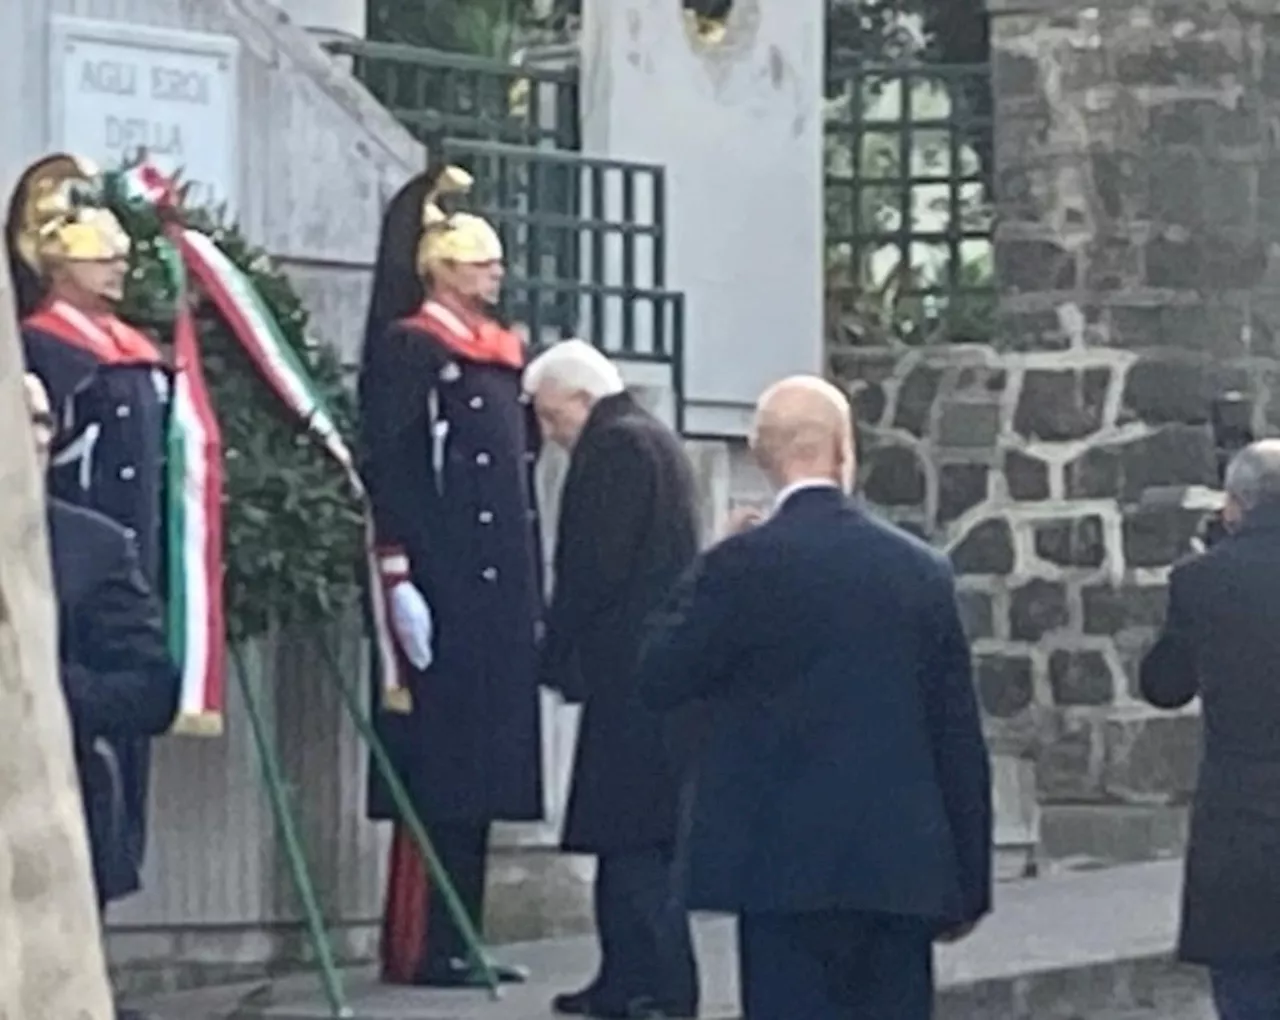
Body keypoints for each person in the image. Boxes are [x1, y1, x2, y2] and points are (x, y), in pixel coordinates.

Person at [636, 376, 993, 1020]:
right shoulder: (918, 569)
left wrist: (707, 562)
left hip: (779, 867)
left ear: (763, 456)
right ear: (844, 449)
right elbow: (957, 736)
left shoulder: (742, 566)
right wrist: (970, 880)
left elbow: (661, 675)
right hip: (897, 863)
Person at [358, 163, 544, 988]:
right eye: (478, 262)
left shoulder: (501, 355)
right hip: (440, 580)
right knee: (439, 771)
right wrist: (399, 572)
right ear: (438, 267)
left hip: (496, 591)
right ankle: (425, 941)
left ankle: (464, 931)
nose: (494, 274)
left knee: (481, 773)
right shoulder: (412, 349)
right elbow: (396, 464)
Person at [6, 152, 171, 907]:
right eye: (100, 257)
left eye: (121, 258)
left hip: (107, 570)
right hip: (52, 568)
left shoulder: (131, 351)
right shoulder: (43, 345)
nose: (117, 270)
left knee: (112, 781)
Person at [524, 340, 701, 1019]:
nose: (550, 433)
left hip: (629, 675)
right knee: (629, 838)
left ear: (579, 398)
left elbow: (593, 569)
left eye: (550, 415)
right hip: (648, 674)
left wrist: (555, 648)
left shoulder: (616, 450)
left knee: (632, 841)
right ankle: (626, 977)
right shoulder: (651, 438)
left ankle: (655, 985)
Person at [24, 372, 180, 1020]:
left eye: (38, 420)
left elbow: (150, 690)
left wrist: (46, 688)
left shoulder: (92, 545)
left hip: (52, 811)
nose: (27, 435)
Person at [1140, 439, 1280, 1020]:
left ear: (1233, 505)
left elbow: (1165, 684)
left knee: (1249, 993)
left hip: (1242, 832)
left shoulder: (1201, 581)